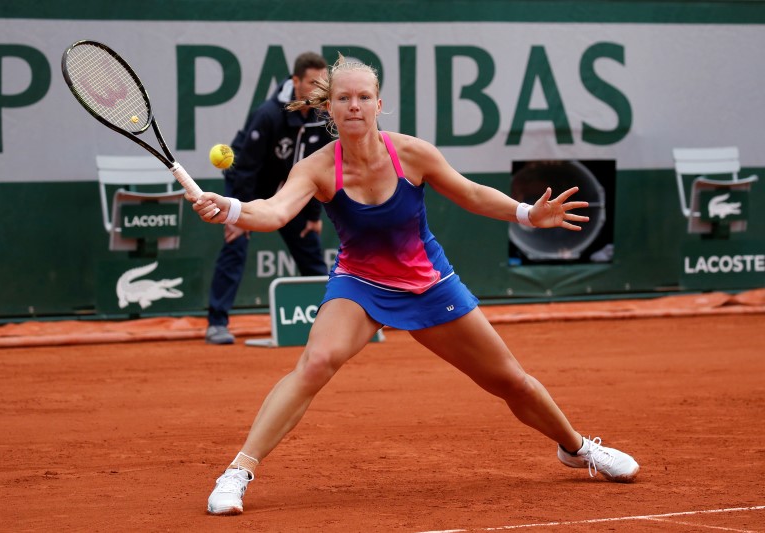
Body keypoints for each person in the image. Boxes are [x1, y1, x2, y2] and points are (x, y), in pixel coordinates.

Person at [190, 54, 640, 515]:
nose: (354, 106)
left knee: (511, 381)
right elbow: (275, 211)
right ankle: (238, 471)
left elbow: (470, 193)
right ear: (330, 109)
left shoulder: (412, 154)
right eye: (343, 98)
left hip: (429, 284)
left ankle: (576, 446)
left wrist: (526, 213)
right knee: (316, 361)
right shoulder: (317, 167)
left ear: (378, 104)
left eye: (364, 97)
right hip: (360, 285)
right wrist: (230, 208)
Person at [205, 51, 333, 344]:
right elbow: (246, 168)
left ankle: (336, 322)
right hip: (250, 187)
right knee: (235, 245)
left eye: (323, 83)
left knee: (310, 252)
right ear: (295, 81)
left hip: (291, 192)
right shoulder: (269, 114)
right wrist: (238, 216)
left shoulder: (323, 116)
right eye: (312, 83)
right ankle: (217, 322)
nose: (318, 90)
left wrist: (313, 217)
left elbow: (320, 171)